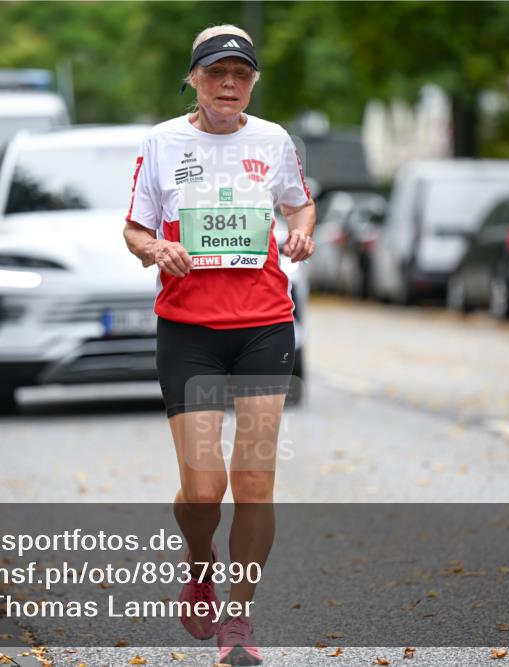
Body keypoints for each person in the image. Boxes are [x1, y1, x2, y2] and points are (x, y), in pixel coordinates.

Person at [122, 24, 316, 666]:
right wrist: (158, 248)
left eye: (240, 73)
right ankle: (199, 563)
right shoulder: (163, 141)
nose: (228, 83)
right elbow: (134, 227)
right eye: (215, 73)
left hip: (263, 324)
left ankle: (240, 619)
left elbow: (299, 206)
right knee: (204, 490)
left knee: (254, 482)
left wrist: (299, 233)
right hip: (190, 332)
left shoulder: (275, 141)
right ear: (194, 80)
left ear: (253, 81)